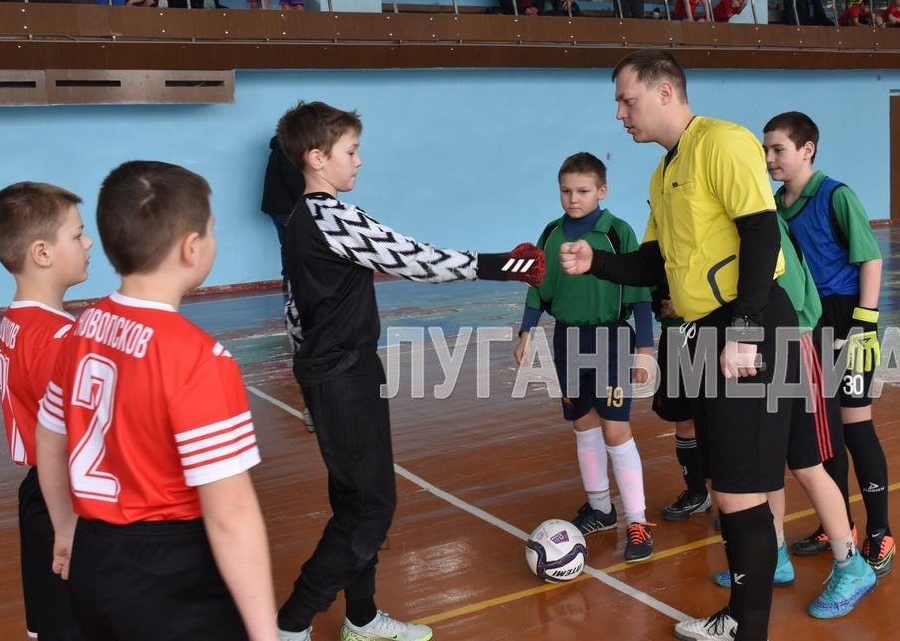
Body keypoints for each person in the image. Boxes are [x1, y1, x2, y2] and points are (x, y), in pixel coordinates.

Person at [273, 100, 545, 641]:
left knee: (355, 499)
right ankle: (289, 624)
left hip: (338, 372)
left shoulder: (299, 220)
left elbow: (293, 310)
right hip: (344, 374)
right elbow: (413, 258)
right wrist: (503, 265)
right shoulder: (331, 217)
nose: (359, 161)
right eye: (351, 151)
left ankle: (362, 616)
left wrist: (307, 379)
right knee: (371, 506)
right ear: (317, 158)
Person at [559, 48, 794, 641]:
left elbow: (761, 232)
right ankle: (739, 618)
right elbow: (656, 262)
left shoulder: (724, 143)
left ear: (665, 93)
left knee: (743, 489)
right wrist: (598, 262)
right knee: (723, 486)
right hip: (699, 332)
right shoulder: (664, 171)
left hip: (750, 325)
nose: (620, 113)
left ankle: (750, 628)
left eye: (626, 99)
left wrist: (743, 330)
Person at [35, 161, 278, 640]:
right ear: (192, 248)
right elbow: (231, 515)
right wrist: (266, 634)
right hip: (169, 579)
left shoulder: (82, 326)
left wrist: (65, 530)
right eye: (210, 230)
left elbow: (49, 436)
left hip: (93, 557)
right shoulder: (199, 359)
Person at [709, 211, 877, 621]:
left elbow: (798, 301)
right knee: (767, 464)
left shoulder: (766, 229)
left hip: (797, 347)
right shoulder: (730, 228)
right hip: (772, 352)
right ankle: (775, 554)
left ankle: (852, 565)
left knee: (807, 464)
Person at [763, 111, 894, 578]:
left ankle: (880, 531)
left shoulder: (836, 195)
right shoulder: (776, 205)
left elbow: (870, 259)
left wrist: (864, 324)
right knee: (826, 435)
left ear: (807, 149)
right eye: (767, 150)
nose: (770, 158)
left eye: (778, 149)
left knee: (856, 425)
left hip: (850, 318)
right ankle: (838, 526)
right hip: (808, 324)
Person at [513, 152, 656, 562]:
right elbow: (536, 288)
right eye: (566, 190)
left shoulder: (618, 232)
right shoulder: (551, 233)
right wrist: (526, 330)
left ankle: (638, 520)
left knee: (615, 429)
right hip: (568, 339)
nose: (573, 198)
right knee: (583, 423)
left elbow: (641, 292)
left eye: (583, 191)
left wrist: (645, 349)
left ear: (602, 191)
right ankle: (600, 508)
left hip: (611, 339)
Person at [0, 181, 91, 641]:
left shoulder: (17, 321)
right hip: (66, 497)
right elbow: (80, 434)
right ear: (43, 253)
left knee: (52, 623)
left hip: (38, 492)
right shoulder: (57, 340)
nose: (88, 243)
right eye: (77, 234)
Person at [259, 134, 314, 433]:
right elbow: (297, 185)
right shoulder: (289, 150)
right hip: (285, 208)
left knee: (289, 252)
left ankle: (291, 294)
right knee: (294, 253)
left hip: (277, 207)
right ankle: (293, 300)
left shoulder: (281, 147)